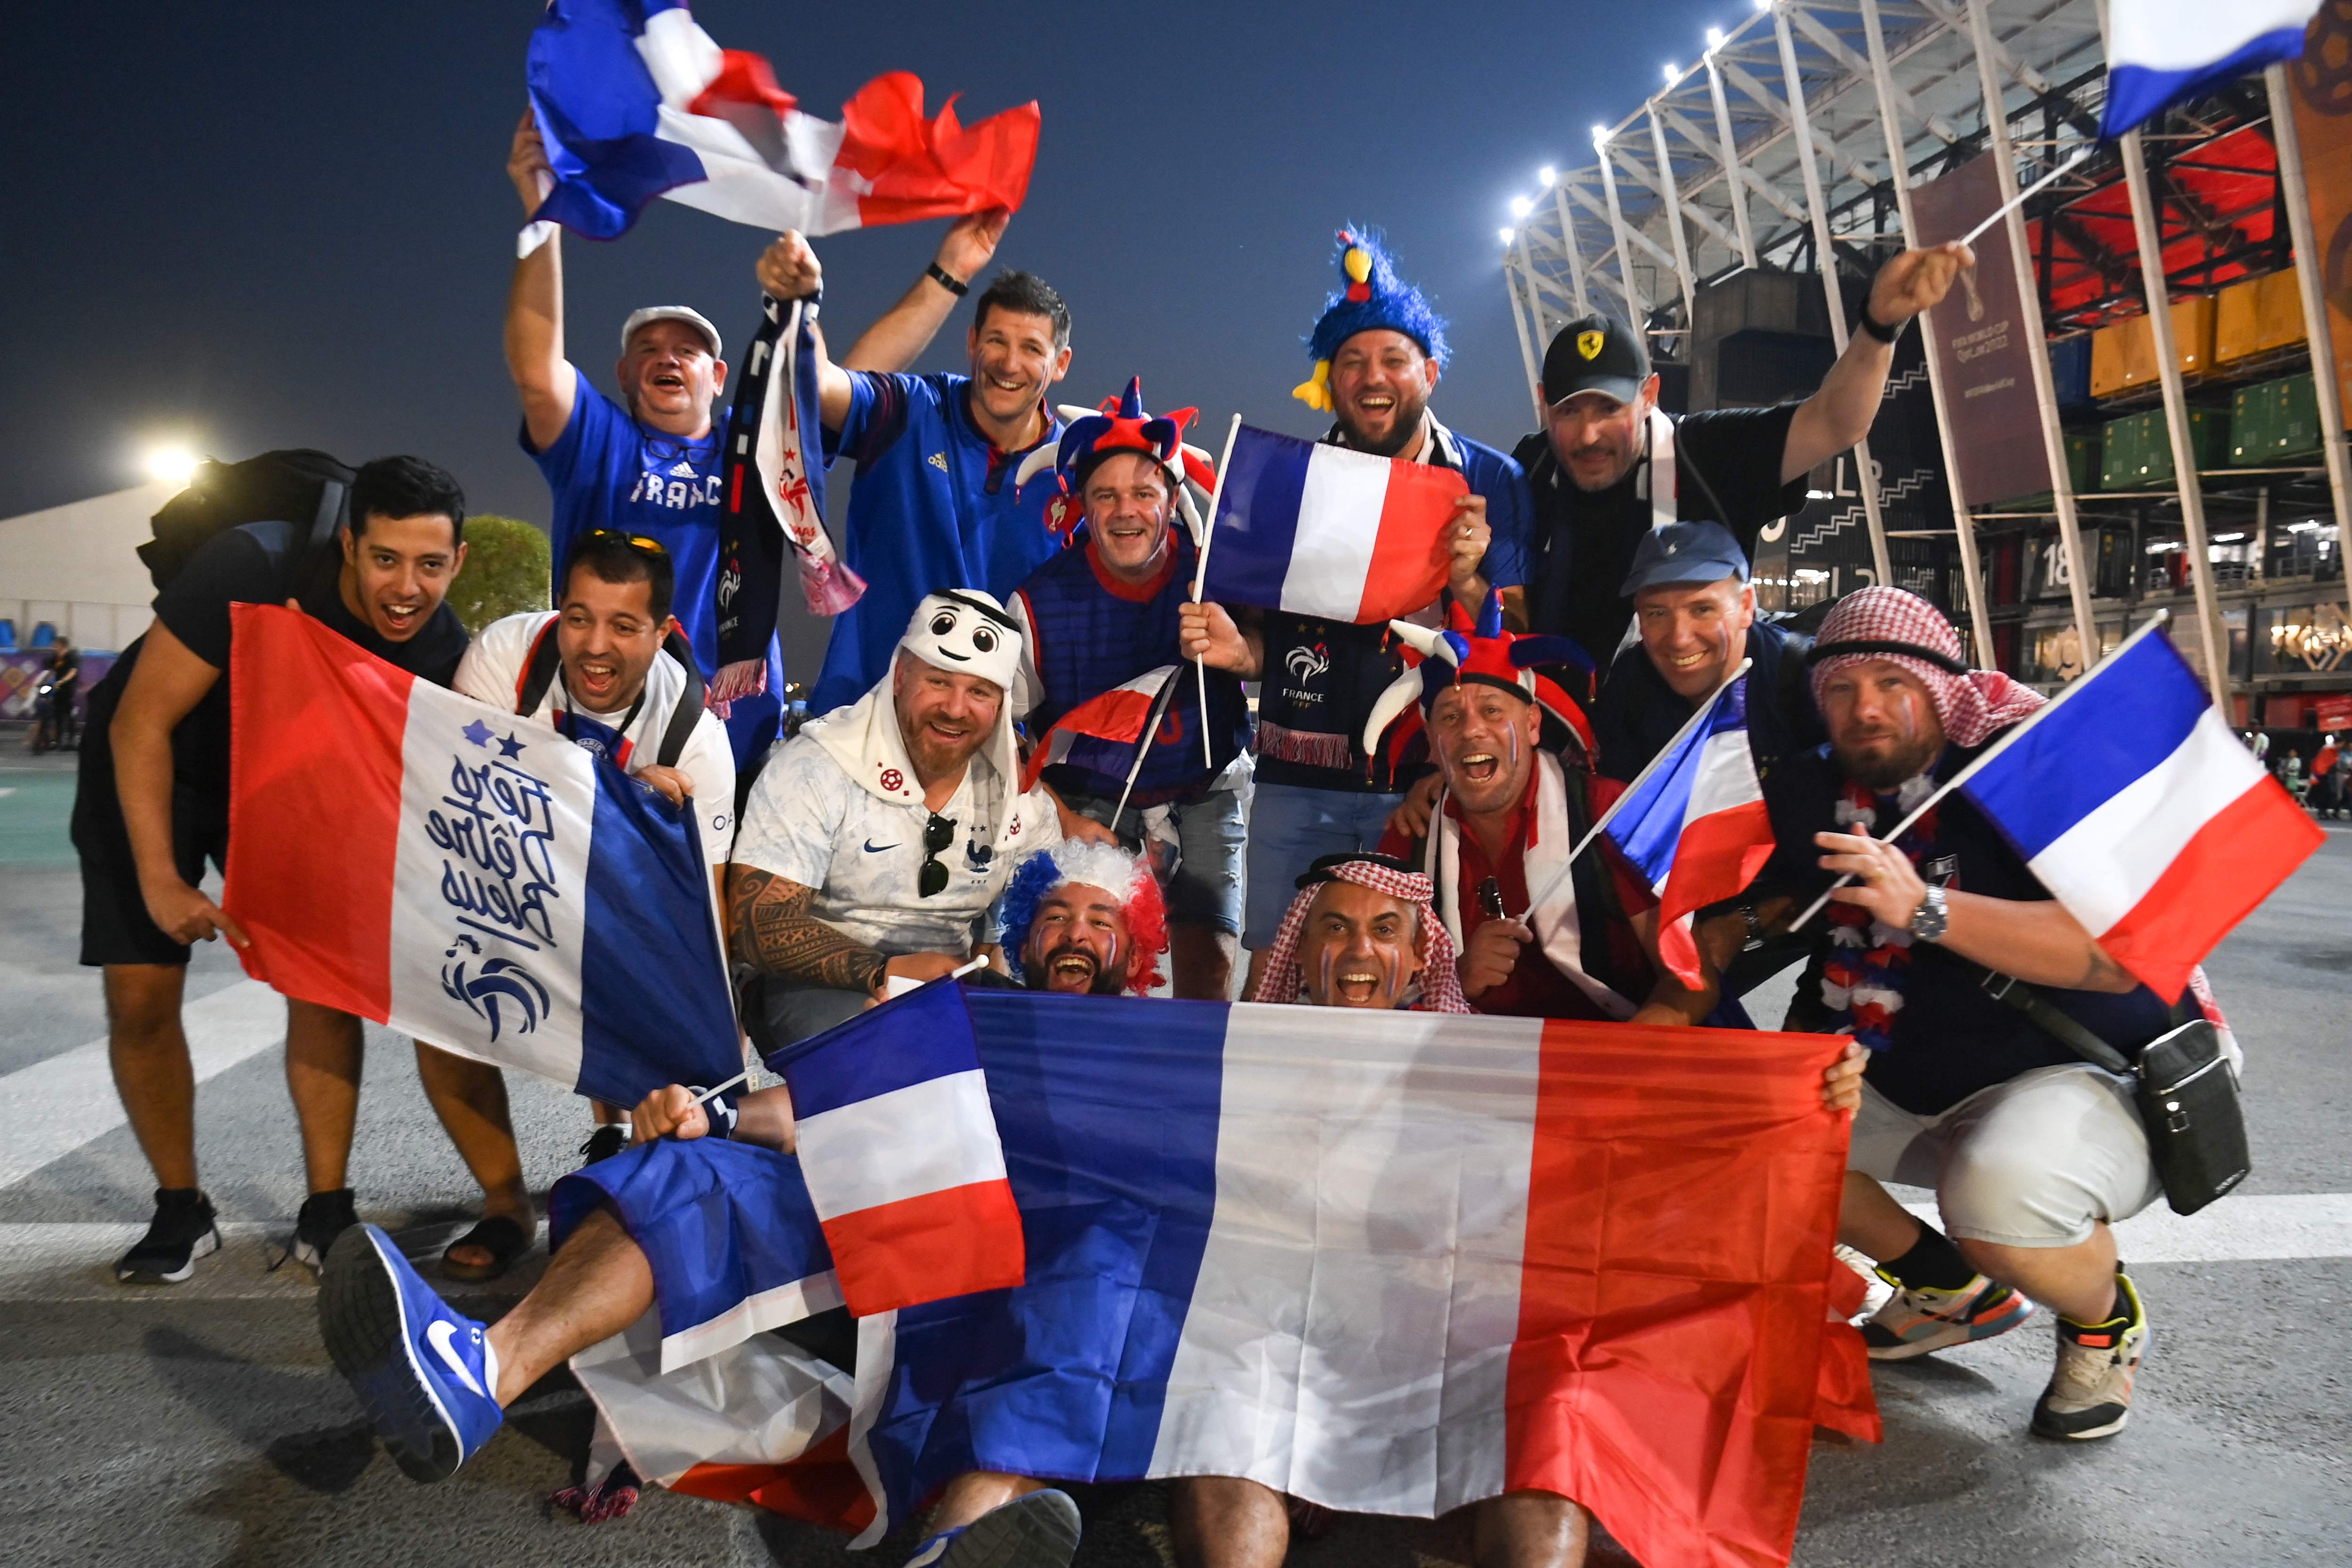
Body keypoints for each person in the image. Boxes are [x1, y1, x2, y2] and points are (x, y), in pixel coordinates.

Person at [314, 848, 1173, 1567]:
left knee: (1097, 1272)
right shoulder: (961, 1011)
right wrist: (710, 1112)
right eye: (1057, 914)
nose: (1077, 933)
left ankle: (963, 1534)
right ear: (1024, 935)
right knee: (691, 1168)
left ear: (1133, 956)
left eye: (1104, 922)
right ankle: (478, 1374)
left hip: (1041, 1271)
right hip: (890, 1236)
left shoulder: (1167, 1056)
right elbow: (821, 1113)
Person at [1678, 586, 2185, 1441]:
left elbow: (2116, 953)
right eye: (1840, 687)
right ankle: (1951, 1289)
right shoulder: (1817, 784)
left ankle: (2106, 1319)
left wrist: (1929, 907)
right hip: (1913, 1064)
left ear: (1940, 683)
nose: (1864, 706)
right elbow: (1835, 920)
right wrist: (1763, 964)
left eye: (1890, 681)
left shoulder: (2026, 762)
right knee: (1758, 1136)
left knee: (1996, 1191)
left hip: (2079, 1064)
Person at [503, 110, 1010, 764]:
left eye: (687, 351)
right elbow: (538, 373)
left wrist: (952, 268)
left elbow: (851, 382)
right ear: (623, 375)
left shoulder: (759, 451)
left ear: (717, 376)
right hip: (601, 723)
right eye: (650, 349)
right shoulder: (597, 444)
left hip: (731, 734)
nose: (668, 358)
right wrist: (543, 213)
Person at [76, 456, 471, 1283]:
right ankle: (181, 1206)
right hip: (158, 758)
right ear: (350, 547)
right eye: (386, 558)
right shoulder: (252, 562)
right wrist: (160, 877)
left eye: (430, 564)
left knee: (322, 983)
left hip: (275, 777)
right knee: (141, 993)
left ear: (457, 562)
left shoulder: (441, 643)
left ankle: (326, 1209)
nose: (406, 587)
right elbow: (141, 722)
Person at [1180, 228, 1526, 998]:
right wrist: (1243, 654)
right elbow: (1265, 637)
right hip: (1295, 780)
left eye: (1393, 359)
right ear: (1327, 381)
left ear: (1429, 372)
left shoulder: (1489, 480)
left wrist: (1471, 584)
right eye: (1352, 361)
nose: (1373, 378)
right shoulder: (1286, 484)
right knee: (1275, 974)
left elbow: (1518, 644)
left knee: (1416, 979)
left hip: (1421, 781)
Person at [411, 530, 739, 1280]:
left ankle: (627, 1157)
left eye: (624, 626)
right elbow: (463, 805)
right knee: (441, 1009)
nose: (594, 647)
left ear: (663, 634)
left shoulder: (697, 739)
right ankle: (504, 1205)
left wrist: (716, 1085)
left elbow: (707, 926)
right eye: (578, 618)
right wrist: (624, 800)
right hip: (503, 874)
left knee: (672, 1034)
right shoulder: (506, 656)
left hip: (618, 907)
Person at [1511, 244, 1975, 672]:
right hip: (1553, 730)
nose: (1588, 434)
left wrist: (1877, 328)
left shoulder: (1708, 453)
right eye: (1568, 411)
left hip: (1692, 730)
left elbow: (1836, 423)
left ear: (1649, 395)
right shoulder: (1525, 469)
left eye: (1609, 409)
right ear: (1540, 403)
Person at [751, 231, 1077, 715]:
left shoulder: (1079, 471)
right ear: (971, 343)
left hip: (993, 741)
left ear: (1060, 364)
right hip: (862, 714)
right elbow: (819, 385)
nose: (1010, 363)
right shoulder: (910, 411)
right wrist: (799, 306)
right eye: (996, 341)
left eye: (1031, 348)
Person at [726, 591, 1062, 1046]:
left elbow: (1029, 922)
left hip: (950, 981)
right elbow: (755, 923)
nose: (956, 708)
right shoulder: (817, 766)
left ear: (1001, 705)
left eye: (979, 691)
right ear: (901, 676)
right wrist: (887, 971)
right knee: (899, 1052)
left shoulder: (1018, 798)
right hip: (816, 983)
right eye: (939, 682)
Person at [1006, 378, 1251, 998]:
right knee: (1080, 960)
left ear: (1172, 500)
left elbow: (1286, 663)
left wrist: (1245, 652)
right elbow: (998, 730)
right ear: (1081, 505)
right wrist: (1059, 819)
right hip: (1087, 795)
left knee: (1207, 971)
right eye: (1106, 495)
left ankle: (1189, 1090)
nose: (1126, 511)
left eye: (1144, 493)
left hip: (1203, 785)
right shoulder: (1037, 600)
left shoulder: (1218, 574)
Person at [30, 633, 80, 751]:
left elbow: (73, 672)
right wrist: (42, 682)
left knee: (69, 715)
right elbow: (51, 672)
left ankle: (71, 740)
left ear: (61, 645)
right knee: (58, 715)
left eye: (55, 644)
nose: (53, 646)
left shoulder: (72, 657)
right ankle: (58, 740)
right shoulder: (55, 658)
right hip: (57, 690)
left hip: (68, 690)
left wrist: (61, 682)